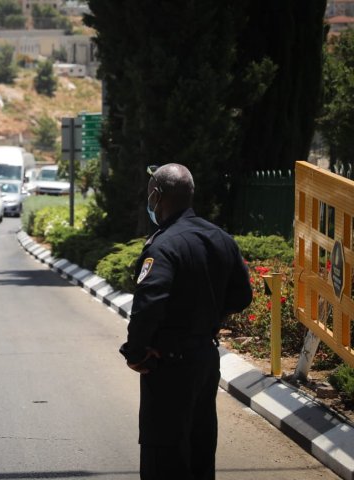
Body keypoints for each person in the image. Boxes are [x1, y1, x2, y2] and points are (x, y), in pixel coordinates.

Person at [120, 163, 253, 480]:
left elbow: (149, 300)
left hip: (167, 363)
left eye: (150, 190)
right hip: (206, 360)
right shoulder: (220, 238)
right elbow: (242, 297)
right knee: (200, 449)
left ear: (158, 195)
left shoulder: (163, 245)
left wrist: (136, 352)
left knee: (164, 456)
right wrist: (208, 315)